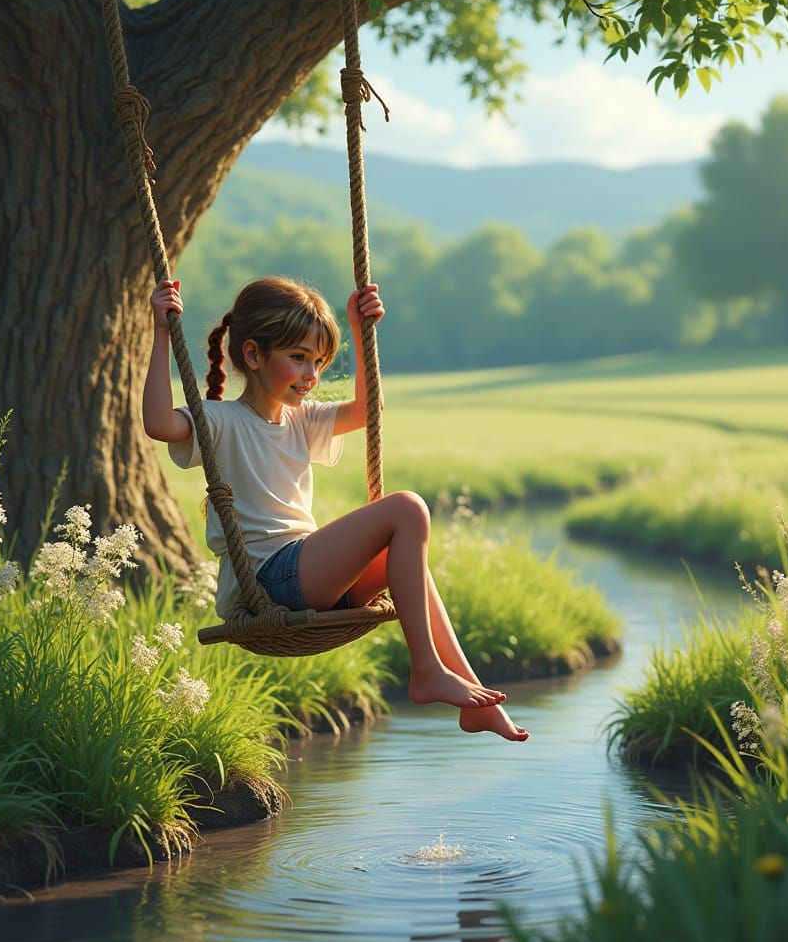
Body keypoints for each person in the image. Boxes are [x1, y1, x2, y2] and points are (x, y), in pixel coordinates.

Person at [143, 275, 529, 741]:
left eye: (319, 362)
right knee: (407, 508)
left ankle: (472, 692)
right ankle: (426, 671)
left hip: (305, 575)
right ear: (252, 355)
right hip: (268, 580)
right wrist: (161, 331)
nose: (311, 375)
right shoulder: (221, 420)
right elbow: (158, 423)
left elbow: (370, 409)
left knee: (406, 560)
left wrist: (359, 328)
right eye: (298, 358)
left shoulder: (301, 419)